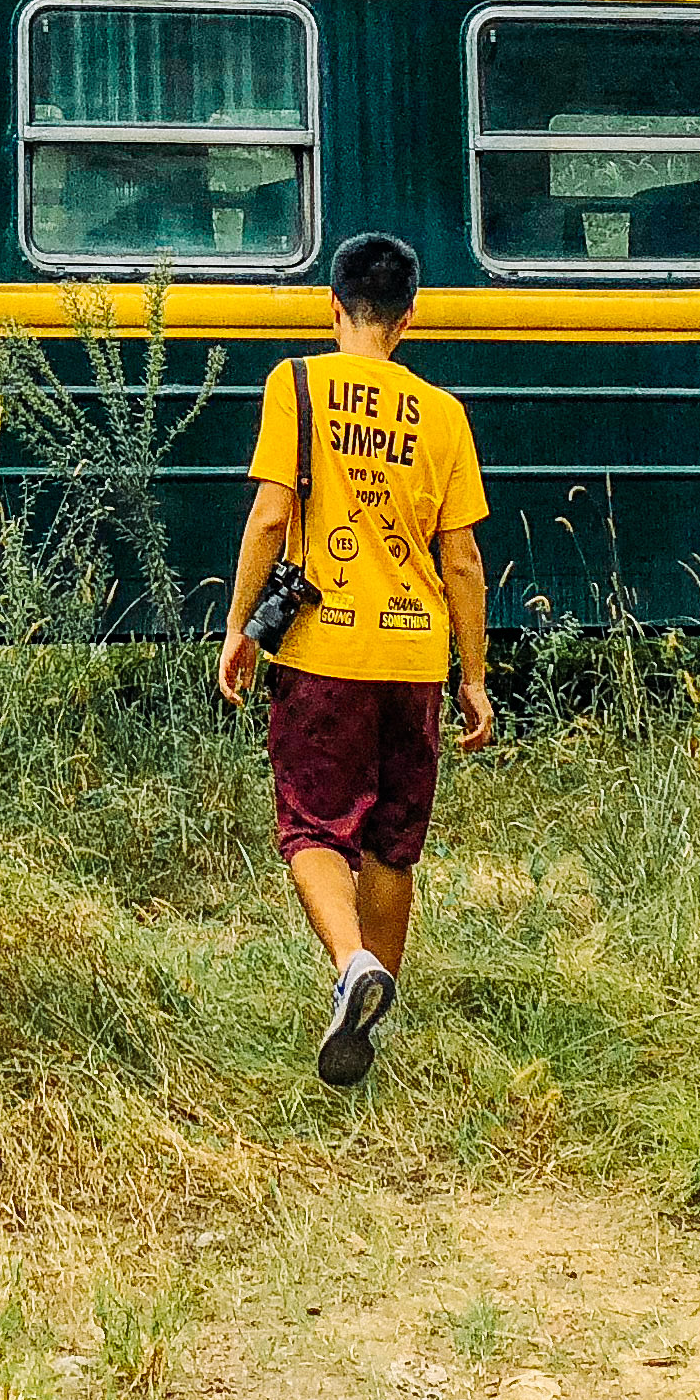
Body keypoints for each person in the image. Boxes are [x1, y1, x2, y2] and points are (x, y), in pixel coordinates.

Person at [216, 231, 494, 1086]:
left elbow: (269, 517)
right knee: (391, 843)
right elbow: (463, 563)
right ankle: (371, 1028)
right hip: (413, 657)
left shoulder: (295, 384)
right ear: (408, 319)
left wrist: (238, 628)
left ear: (333, 306)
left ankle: (352, 969)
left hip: (323, 650)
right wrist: (473, 676)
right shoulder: (443, 415)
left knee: (311, 828)